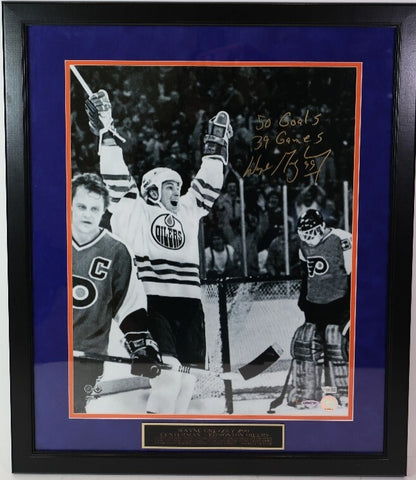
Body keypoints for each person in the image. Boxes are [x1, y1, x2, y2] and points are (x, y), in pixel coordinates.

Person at [85, 90, 233, 414]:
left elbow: (207, 183)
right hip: (154, 305)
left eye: (178, 186)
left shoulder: (188, 211)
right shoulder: (135, 209)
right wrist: (106, 130)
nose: (177, 190)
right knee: (167, 380)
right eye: (170, 186)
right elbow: (115, 174)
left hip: (190, 306)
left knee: (187, 383)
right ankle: (153, 439)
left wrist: (215, 152)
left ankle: (174, 437)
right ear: (152, 190)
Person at [71, 173, 161, 413]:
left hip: (89, 355)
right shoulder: (46, 243)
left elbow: (128, 304)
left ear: (104, 211)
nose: (88, 214)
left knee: (73, 409)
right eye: (81, 207)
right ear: (69, 207)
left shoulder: (117, 251)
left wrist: (141, 346)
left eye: (94, 209)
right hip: (47, 350)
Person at [286, 208, 352, 409]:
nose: (309, 237)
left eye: (312, 232)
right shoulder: (303, 247)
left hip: (339, 303)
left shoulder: (342, 239)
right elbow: (307, 275)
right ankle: (307, 391)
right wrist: (304, 299)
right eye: (305, 234)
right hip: (315, 305)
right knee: (306, 343)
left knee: (335, 343)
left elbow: (354, 272)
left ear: (322, 226)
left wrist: (351, 306)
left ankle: (342, 391)